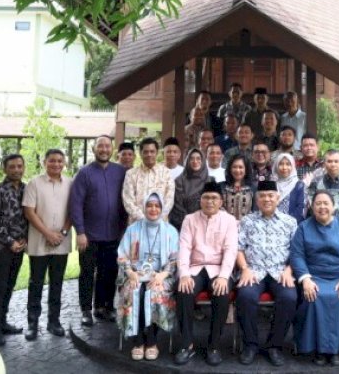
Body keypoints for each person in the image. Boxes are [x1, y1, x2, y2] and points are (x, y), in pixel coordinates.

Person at [290, 190, 339, 366]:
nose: (322, 207)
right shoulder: (303, 228)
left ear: (333, 206)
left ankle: (337, 349)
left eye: (326, 203)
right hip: (314, 277)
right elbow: (297, 255)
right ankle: (319, 349)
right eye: (318, 203)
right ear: (312, 207)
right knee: (315, 297)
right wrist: (306, 279)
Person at [174, 181, 239, 367]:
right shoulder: (190, 219)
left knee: (222, 291)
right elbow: (184, 248)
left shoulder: (229, 221)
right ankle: (187, 344)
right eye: (206, 197)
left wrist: (224, 276)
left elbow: (231, 250)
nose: (209, 201)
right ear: (200, 200)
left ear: (221, 202)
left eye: (214, 198)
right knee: (184, 290)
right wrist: (184, 273)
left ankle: (214, 346)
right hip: (194, 268)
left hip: (219, 269)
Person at [235, 181, 298, 366]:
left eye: (271, 195)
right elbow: (238, 248)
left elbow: (297, 251)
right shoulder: (247, 221)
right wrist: (245, 268)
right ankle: (250, 345)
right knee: (245, 296)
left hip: (280, 271)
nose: (267, 199)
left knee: (289, 297)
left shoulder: (290, 222)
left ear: (278, 198)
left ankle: (274, 346)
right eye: (262, 196)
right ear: (257, 199)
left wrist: (289, 270)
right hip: (254, 270)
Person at [69, 135, 127, 326]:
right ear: (94, 149)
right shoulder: (84, 173)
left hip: (113, 234)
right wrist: (80, 232)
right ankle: (86, 310)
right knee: (87, 273)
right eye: (100, 146)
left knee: (109, 272)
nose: (104, 149)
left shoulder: (120, 172)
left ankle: (105, 307)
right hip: (89, 236)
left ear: (112, 150)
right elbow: (75, 203)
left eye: (107, 146)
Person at [115, 192, 179, 361]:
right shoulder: (133, 229)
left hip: (161, 275)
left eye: (157, 206)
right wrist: (130, 272)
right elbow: (122, 255)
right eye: (149, 205)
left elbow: (174, 259)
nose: (153, 209)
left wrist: (162, 275)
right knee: (135, 291)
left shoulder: (170, 231)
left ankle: (151, 341)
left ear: (162, 208)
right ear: (144, 207)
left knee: (153, 293)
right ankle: (137, 342)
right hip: (136, 273)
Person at [23, 149, 73, 340]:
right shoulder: (34, 183)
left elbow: (73, 210)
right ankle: (32, 323)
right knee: (36, 283)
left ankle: (54, 321)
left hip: (62, 241)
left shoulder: (70, 183)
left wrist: (62, 233)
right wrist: (48, 234)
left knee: (57, 283)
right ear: (45, 162)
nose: (56, 164)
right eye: (52, 161)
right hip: (39, 241)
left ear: (64, 163)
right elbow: (29, 212)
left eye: (60, 161)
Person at [0, 153, 28, 346]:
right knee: (0, 287)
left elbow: (29, 216)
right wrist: (11, 241)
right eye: (12, 166)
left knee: (10, 286)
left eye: (19, 166)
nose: (16, 170)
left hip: (20, 247)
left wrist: (24, 240)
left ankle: (3, 323)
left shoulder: (27, 189)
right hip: (2, 247)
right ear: (5, 169)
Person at [122, 137, 175, 223]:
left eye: (152, 151)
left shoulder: (166, 173)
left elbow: (169, 200)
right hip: (137, 225)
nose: (149, 154)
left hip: (160, 224)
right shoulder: (131, 174)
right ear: (140, 153)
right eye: (146, 152)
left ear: (157, 153)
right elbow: (128, 201)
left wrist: (157, 218)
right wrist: (144, 220)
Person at [170, 148, 207, 232]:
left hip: (206, 227)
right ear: (187, 161)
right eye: (191, 158)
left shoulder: (210, 181)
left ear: (203, 161)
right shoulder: (179, 181)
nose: (195, 161)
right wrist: (191, 223)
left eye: (198, 158)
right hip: (184, 226)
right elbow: (177, 207)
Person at [272, 153, 306, 223]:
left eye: (288, 164)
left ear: (293, 166)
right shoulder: (272, 184)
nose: (284, 167)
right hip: (272, 225)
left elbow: (300, 209)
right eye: (281, 164)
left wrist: (286, 224)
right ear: (276, 166)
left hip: (292, 225)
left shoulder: (299, 185)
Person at [223, 154, 254, 220]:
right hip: (225, 226)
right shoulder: (222, 187)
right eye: (234, 167)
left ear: (246, 170)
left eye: (240, 167)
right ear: (230, 169)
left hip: (247, 226)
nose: (237, 170)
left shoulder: (253, 188)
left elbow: (255, 211)